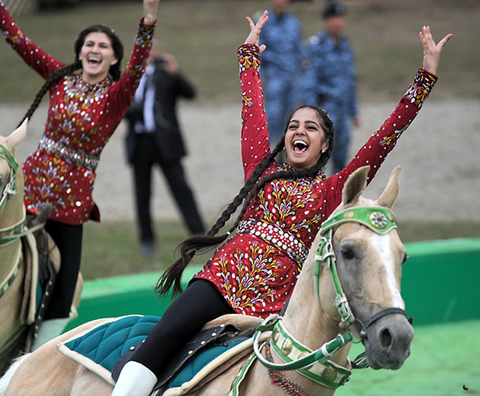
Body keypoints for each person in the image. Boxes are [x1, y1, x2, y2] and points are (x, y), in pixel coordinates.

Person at [111, 12, 451, 396]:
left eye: (311, 127)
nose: (299, 131)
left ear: (325, 145)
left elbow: (383, 139)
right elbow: (252, 111)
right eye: (293, 126)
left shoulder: (333, 192)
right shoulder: (262, 169)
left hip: (278, 305)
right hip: (222, 281)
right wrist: (249, 57)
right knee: (158, 344)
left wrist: (423, 81)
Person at [0, 0, 160, 349]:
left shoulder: (116, 96)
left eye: (103, 46)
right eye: (89, 44)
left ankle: (32, 360)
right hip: (27, 188)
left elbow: (138, 67)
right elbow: (19, 40)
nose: (94, 49)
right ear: (79, 52)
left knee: (63, 295)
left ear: (112, 59)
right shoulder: (59, 78)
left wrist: (148, 21)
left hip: (69, 205)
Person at [124, 42, 204, 255]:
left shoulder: (165, 73)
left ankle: (199, 234)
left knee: (181, 189)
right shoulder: (129, 77)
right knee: (142, 194)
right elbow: (119, 106)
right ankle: (147, 239)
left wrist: (176, 73)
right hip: (140, 142)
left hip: (165, 143)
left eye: (152, 48)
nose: (148, 52)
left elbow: (191, 93)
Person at [299, 1, 360, 174]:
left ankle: (337, 199)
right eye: (333, 18)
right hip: (324, 111)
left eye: (340, 18)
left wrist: (354, 112)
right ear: (326, 21)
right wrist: (311, 115)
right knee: (318, 159)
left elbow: (350, 81)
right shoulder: (315, 46)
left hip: (342, 113)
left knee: (341, 160)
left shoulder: (345, 46)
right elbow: (308, 83)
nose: (337, 22)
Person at [256, 0, 303, 148]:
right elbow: (256, 51)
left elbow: (299, 52)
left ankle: (287, 151)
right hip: (273, 78)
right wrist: (260, 74)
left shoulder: (294, 23)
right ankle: (268, 152)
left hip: (292, 78)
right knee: (272, 115)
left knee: (290, 116)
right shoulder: (262, 22)